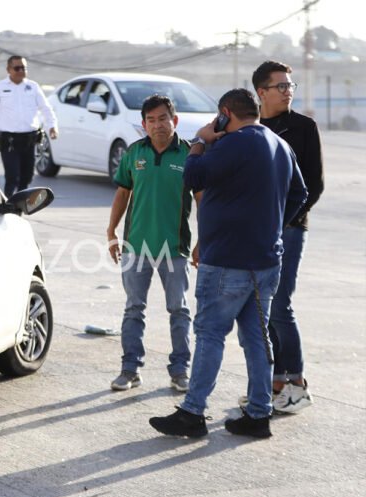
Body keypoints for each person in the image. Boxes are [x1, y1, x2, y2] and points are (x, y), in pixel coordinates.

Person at [149, 89, 307, 439]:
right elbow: (300, 194)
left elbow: (193, 176)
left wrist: (199, 141)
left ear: (225, 114)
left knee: (209, 335)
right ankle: (259, 414)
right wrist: (271, 227)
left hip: (227, 261)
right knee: (257, 339)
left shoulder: (233, 143)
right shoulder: (280, 145)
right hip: (265, 261)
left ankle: (192, 412)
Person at [106, 94, 199, 393]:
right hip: (136, 247)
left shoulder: (190, 155)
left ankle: (180, 370)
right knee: (134, 309)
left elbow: (203, 200)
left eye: (163, 119)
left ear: (175, 120)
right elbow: (122, 194)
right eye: (151, 120)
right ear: (144, 124)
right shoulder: (134, 153)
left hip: (175, 249)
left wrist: (203, 241)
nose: (158, 125)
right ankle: (130, 369)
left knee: (179, 310)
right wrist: (111, 232)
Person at [251, 60, 324, 414]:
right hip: (256, 231)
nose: (288, 91)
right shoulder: (251, 127)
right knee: (264, 308)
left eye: (290, 85)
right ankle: (276, 383)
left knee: (281, 304)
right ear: (261, 92)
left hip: (290, 229)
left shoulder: (304, 127)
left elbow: (315, 185)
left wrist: (282, 221)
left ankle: (296, 384)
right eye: (280, 86)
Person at [0, 55, 58, 196]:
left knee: (27, 178)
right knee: (12, 177)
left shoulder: (33, 87)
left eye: (24, 68)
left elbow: (46, 108)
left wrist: (52, 125)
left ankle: (21, 206)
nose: (21, 71)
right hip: (9, 141)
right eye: (17, 68)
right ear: (8, 69)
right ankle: (9, 204)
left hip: (29, 140)